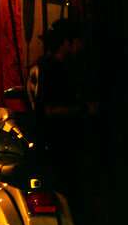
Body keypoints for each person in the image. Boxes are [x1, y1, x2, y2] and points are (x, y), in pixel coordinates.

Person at [28, 18, 88, 199]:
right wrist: (84, 109)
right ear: (65, 43)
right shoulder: (54, 70)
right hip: (57, 146)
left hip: (46, 145)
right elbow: (48, 111)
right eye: (77, 42)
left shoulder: (41, 66)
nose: (81, 47)